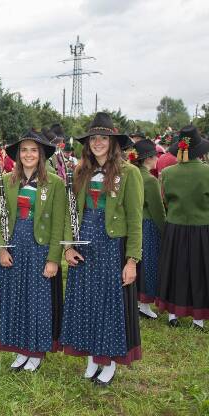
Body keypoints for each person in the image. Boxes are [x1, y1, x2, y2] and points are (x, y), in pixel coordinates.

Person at [60, 112, 142, 387]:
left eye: (103, 138)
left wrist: (131, 261)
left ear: (113, 142)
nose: (97, 142)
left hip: (110, 248)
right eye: (93, 138)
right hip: (84, 245)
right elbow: (71, 213)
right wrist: (68, 247)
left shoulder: (129, 173)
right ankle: (91, 358)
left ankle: (107, 362)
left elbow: (134, 221)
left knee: (107, 306)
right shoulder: (80, 171)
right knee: (85, 302)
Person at [0, 130, 65, 372]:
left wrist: (53, 259)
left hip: (38, 249)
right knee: (15, 298)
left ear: (41, 154)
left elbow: (58, 224)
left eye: (33, 150)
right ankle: (20, 349)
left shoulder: (55, 183)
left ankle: (35, 352)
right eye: (24, 150)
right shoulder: (7, 180)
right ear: (18, 154)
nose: (28, 154)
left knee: (36, 301)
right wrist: (1, 249)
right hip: (13, 247)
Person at [156, 125, 209, 331]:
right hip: (202, 228)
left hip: (175, 228)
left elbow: (165, 201)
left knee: (174, 269)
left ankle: (172, 314)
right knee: (200, 270)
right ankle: (198, 319)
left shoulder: (168, 173)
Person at [127, 140, 165, 319]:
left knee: (133, 262)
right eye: (156, 155)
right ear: (149, 158)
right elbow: (158, 210)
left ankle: (134, 301)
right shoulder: (150, 180)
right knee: (148, 265)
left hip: (131, 224)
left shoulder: (129, 174)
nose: (158, 158)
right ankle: (144, 304)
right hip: (147, 225)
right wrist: (165, 230)